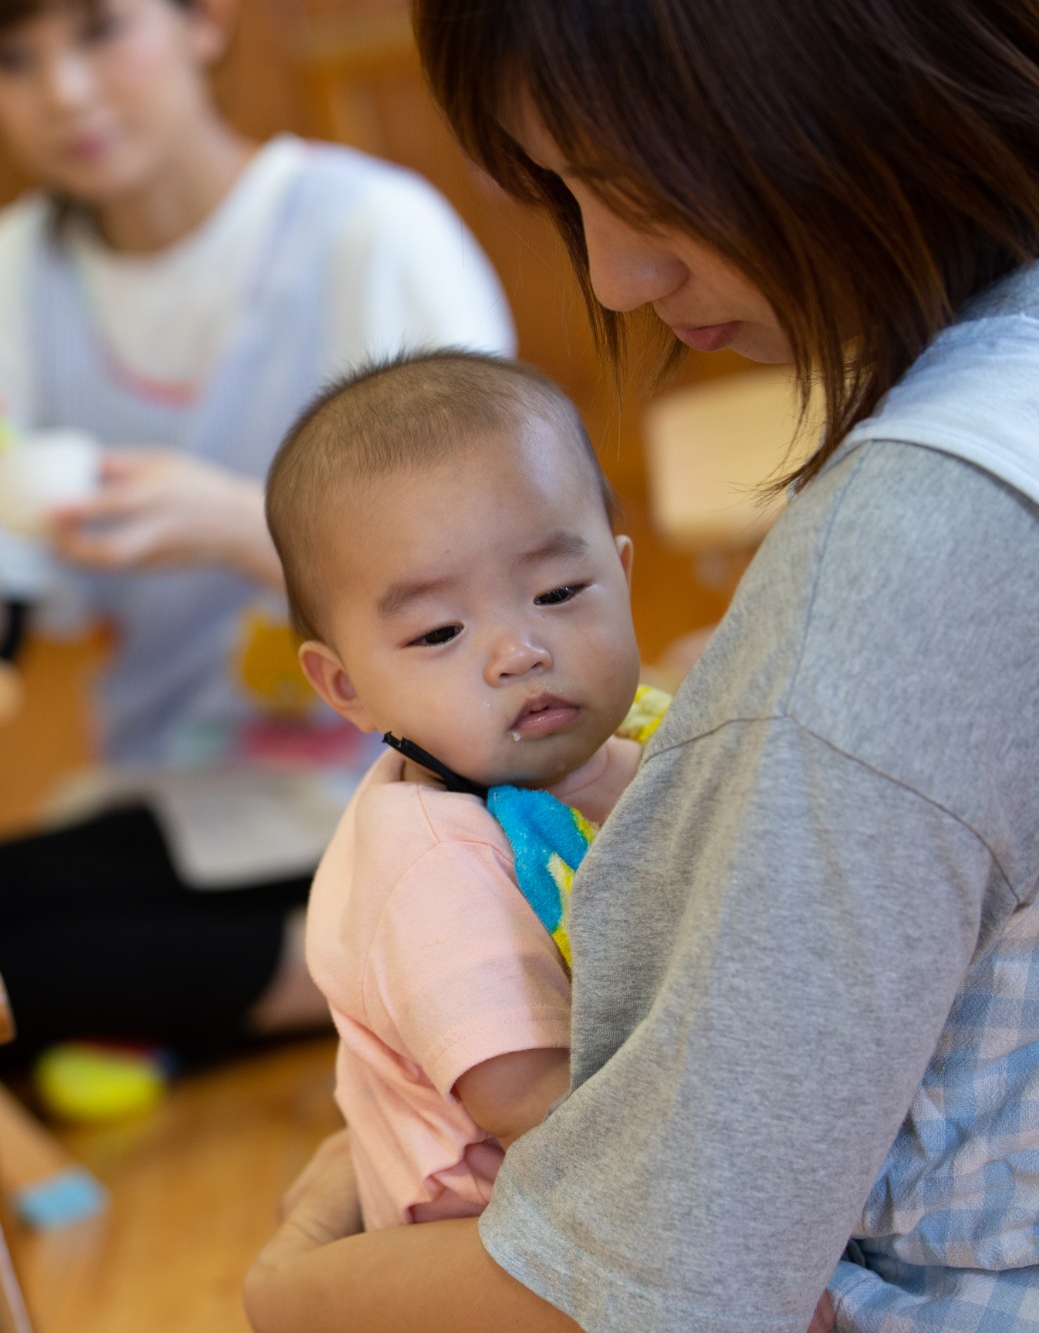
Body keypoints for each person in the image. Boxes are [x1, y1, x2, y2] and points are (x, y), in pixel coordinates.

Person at [244, 1, 1039, 1329]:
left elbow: (676, 1270)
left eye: (631, 182)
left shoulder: (910, 541)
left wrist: (297, 1292)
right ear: (340, 682)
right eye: (565, 197)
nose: (612, 276)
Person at [0, 0, 514, 1065]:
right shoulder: (12, 271)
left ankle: (265, 984)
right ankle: (337, 972)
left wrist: (242, 527)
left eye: (98, 32)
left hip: (410, 776)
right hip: (180, 789)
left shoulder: (367, 230)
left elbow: (488, 572)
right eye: (12, 58)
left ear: (205, 20)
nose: (64, 93)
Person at [268, 350, 646, 1233]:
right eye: (439, 630)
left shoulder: (646, 737)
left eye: (558, 590)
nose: (518, 649)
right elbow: (530, 1100)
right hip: (501, 1231)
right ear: (344, 687)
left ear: (623, 574)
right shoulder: (432, 864)